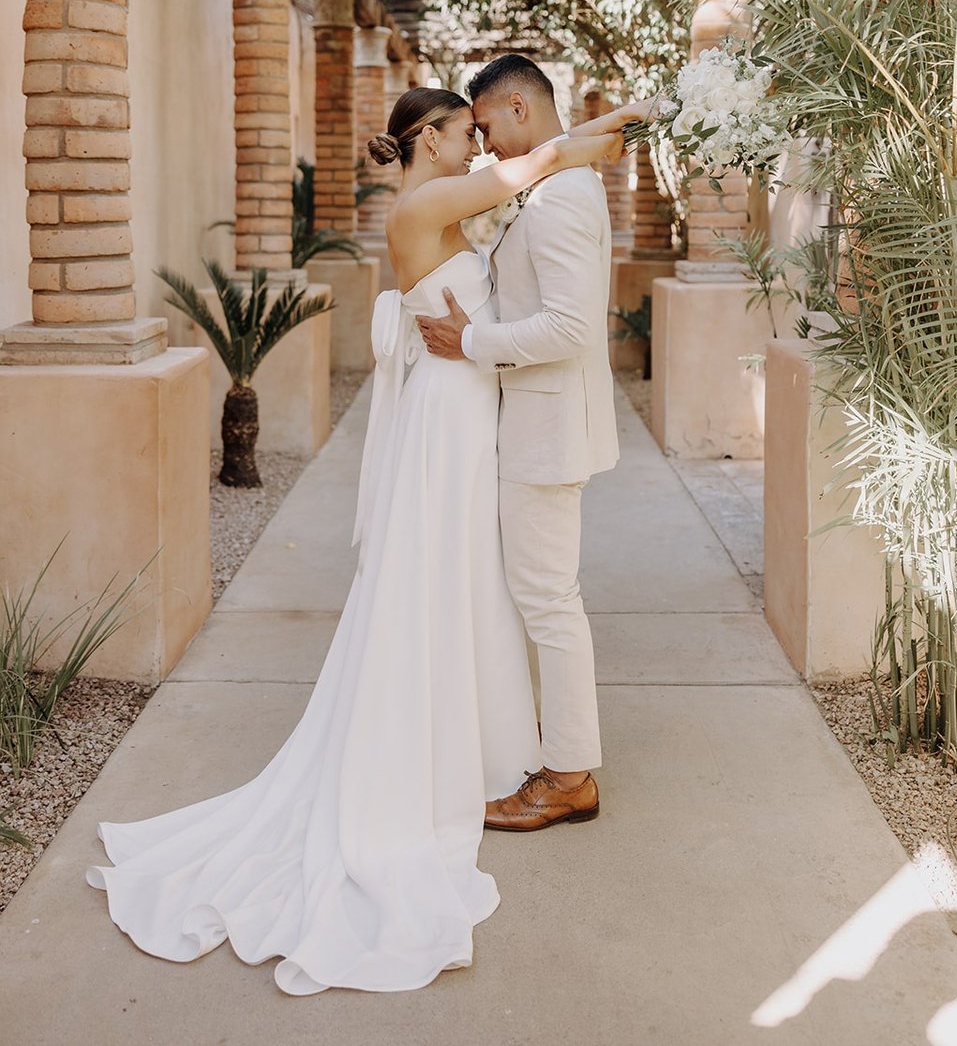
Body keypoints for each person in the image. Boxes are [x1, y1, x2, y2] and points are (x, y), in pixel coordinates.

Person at [86, 84, 635, 996]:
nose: (476, 146)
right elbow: (533, 163)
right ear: (428, 137)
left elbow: (529, 163)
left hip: (467, 409)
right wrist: (593, 137)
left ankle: (483, 748)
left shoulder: (447, 198)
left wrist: (595, 133)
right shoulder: (425, 204)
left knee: (472, 583)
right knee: (443, 578)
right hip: (451, 416)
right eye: (465, 131)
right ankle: (441, 754)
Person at [417, 56, 630, 833]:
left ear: (516, 108)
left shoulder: (556, 201)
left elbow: (572, 327)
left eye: (484, 126)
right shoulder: (548, 184)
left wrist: (473, 341)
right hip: (533, 422)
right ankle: (557, 760)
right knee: (543, 597)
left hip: (546, 429)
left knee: (548, 601)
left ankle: (569, 776)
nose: (481, 145)